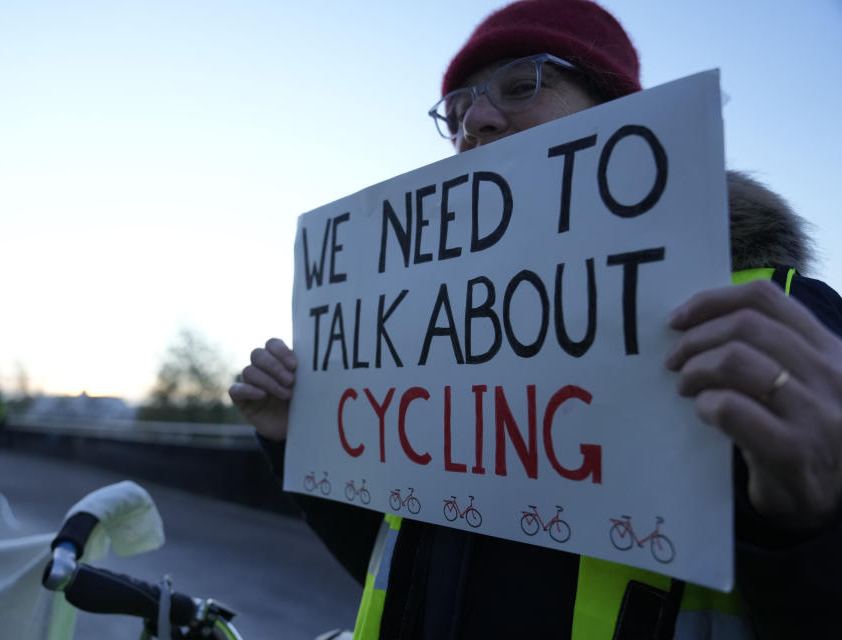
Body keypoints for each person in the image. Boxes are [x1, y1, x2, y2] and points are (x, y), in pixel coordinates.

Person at [230, 1, 842, 637]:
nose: (477, 122)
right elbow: (403, 577)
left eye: (522, 86)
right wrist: (294, 438)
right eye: (457, 112)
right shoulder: (425, 340)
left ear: (621, 115)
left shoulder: (776, 319)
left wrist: (817, 520)